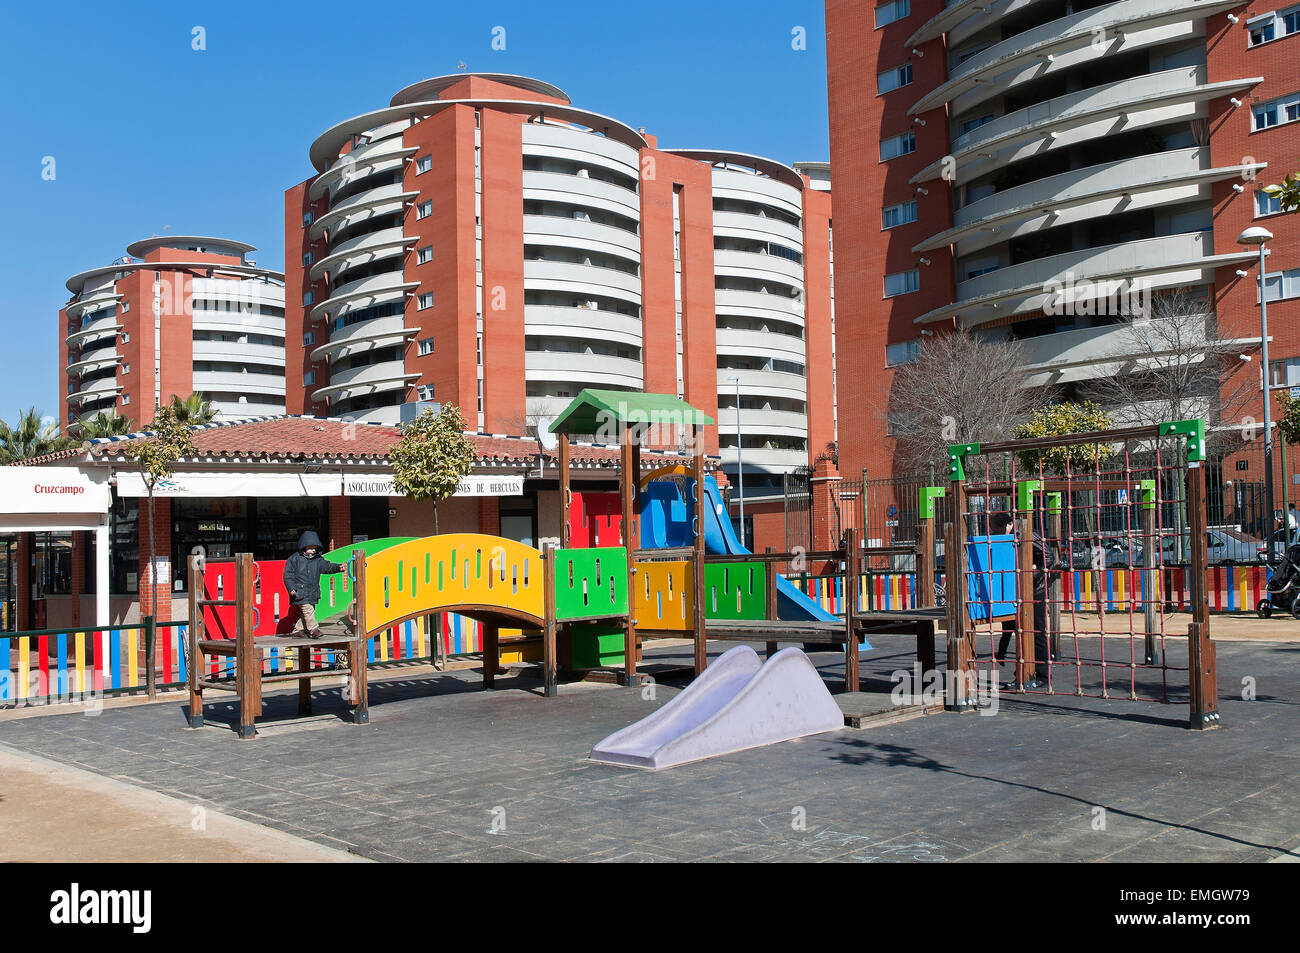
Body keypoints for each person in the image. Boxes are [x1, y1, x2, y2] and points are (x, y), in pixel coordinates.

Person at [989, 511, 1053, 690]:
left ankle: (1043, 675)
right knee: (1015, 627)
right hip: (1016, 590)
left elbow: (1049, 557)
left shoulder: (1027, 534)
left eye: (995, 530)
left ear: (1006, 525)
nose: (994, 534)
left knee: (1037, 632)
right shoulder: (1008, 538)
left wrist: (1031, 574)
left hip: (1034, 590)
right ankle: (1021, 673)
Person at [283, 531, 346, 639]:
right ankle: (313, 629)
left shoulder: (318, 560)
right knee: (308, 610)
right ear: (303, 547)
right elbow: (288, 575)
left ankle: (297, 630)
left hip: (312, 591)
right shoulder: (295, 559)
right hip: (300, 591)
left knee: (307, 612)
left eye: (315, 548)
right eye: (310, 548)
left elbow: (327, 566)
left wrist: (338, 567)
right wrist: (291, 588)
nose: (313, 550)